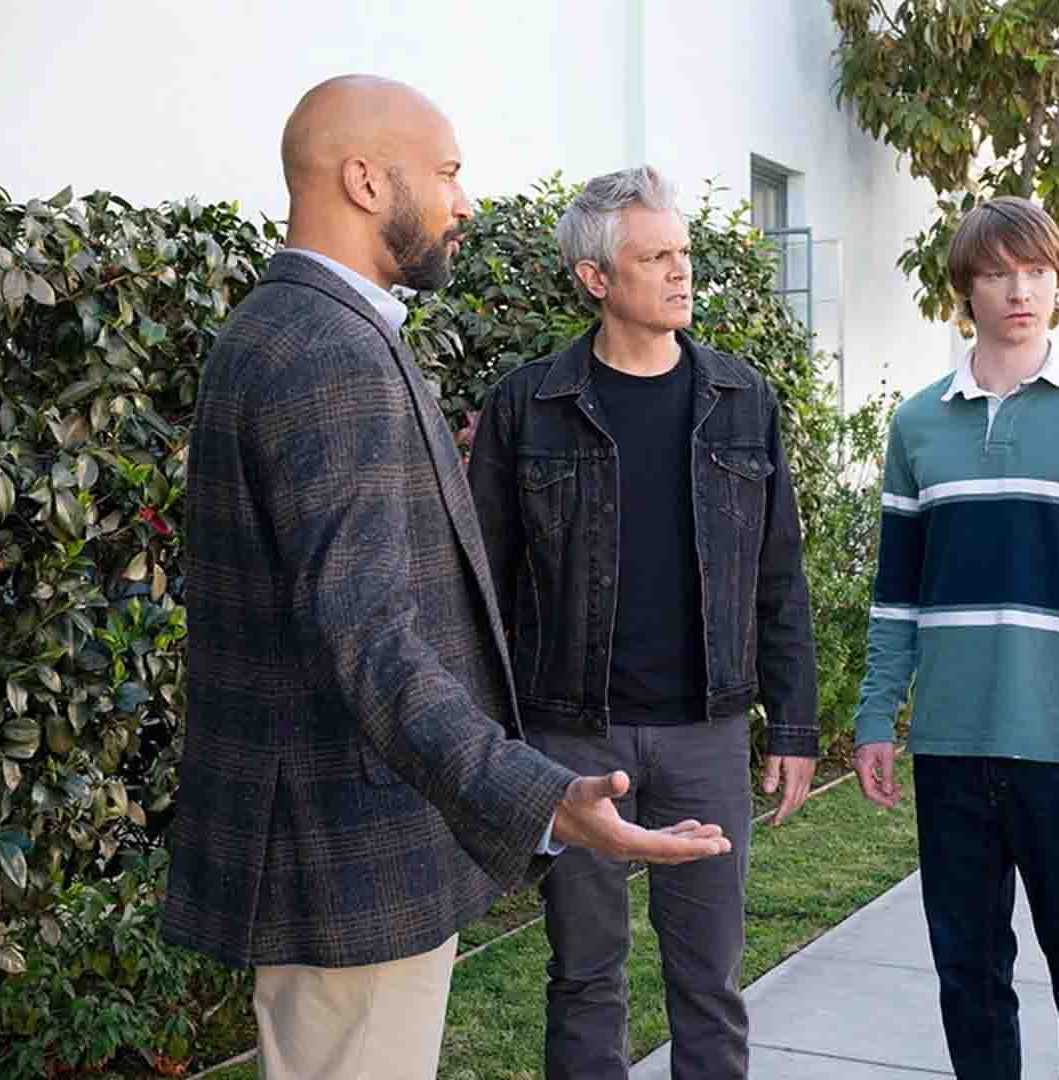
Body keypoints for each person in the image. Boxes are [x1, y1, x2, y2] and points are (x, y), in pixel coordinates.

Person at [163, 78, 730, 1080]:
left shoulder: (303, 328)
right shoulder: (327, 351)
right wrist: (540, 797)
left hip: (347, 853)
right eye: (448, 173)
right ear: (366, 181)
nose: (464, 202)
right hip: (351, 860)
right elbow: (368, 639)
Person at [468, 166, 819, 1080]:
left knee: (709, 980)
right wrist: (494, 745)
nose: (681, 270)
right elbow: (484, 586)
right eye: (655, 256)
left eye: (683, 251)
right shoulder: (527, 406)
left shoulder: (742, 398)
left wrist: (793, 726)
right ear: (595, 277)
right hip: (572, 738)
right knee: (585, 975)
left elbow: (778, 575)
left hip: (705, 735)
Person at [853, 196, 1059, 1079]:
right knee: (969, 980)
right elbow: (897, 591)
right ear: (964, 291)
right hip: (951, 747)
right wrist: (875, 714)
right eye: (997, 274)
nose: (1021, 292)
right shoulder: (917, 425)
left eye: (1038, 272)